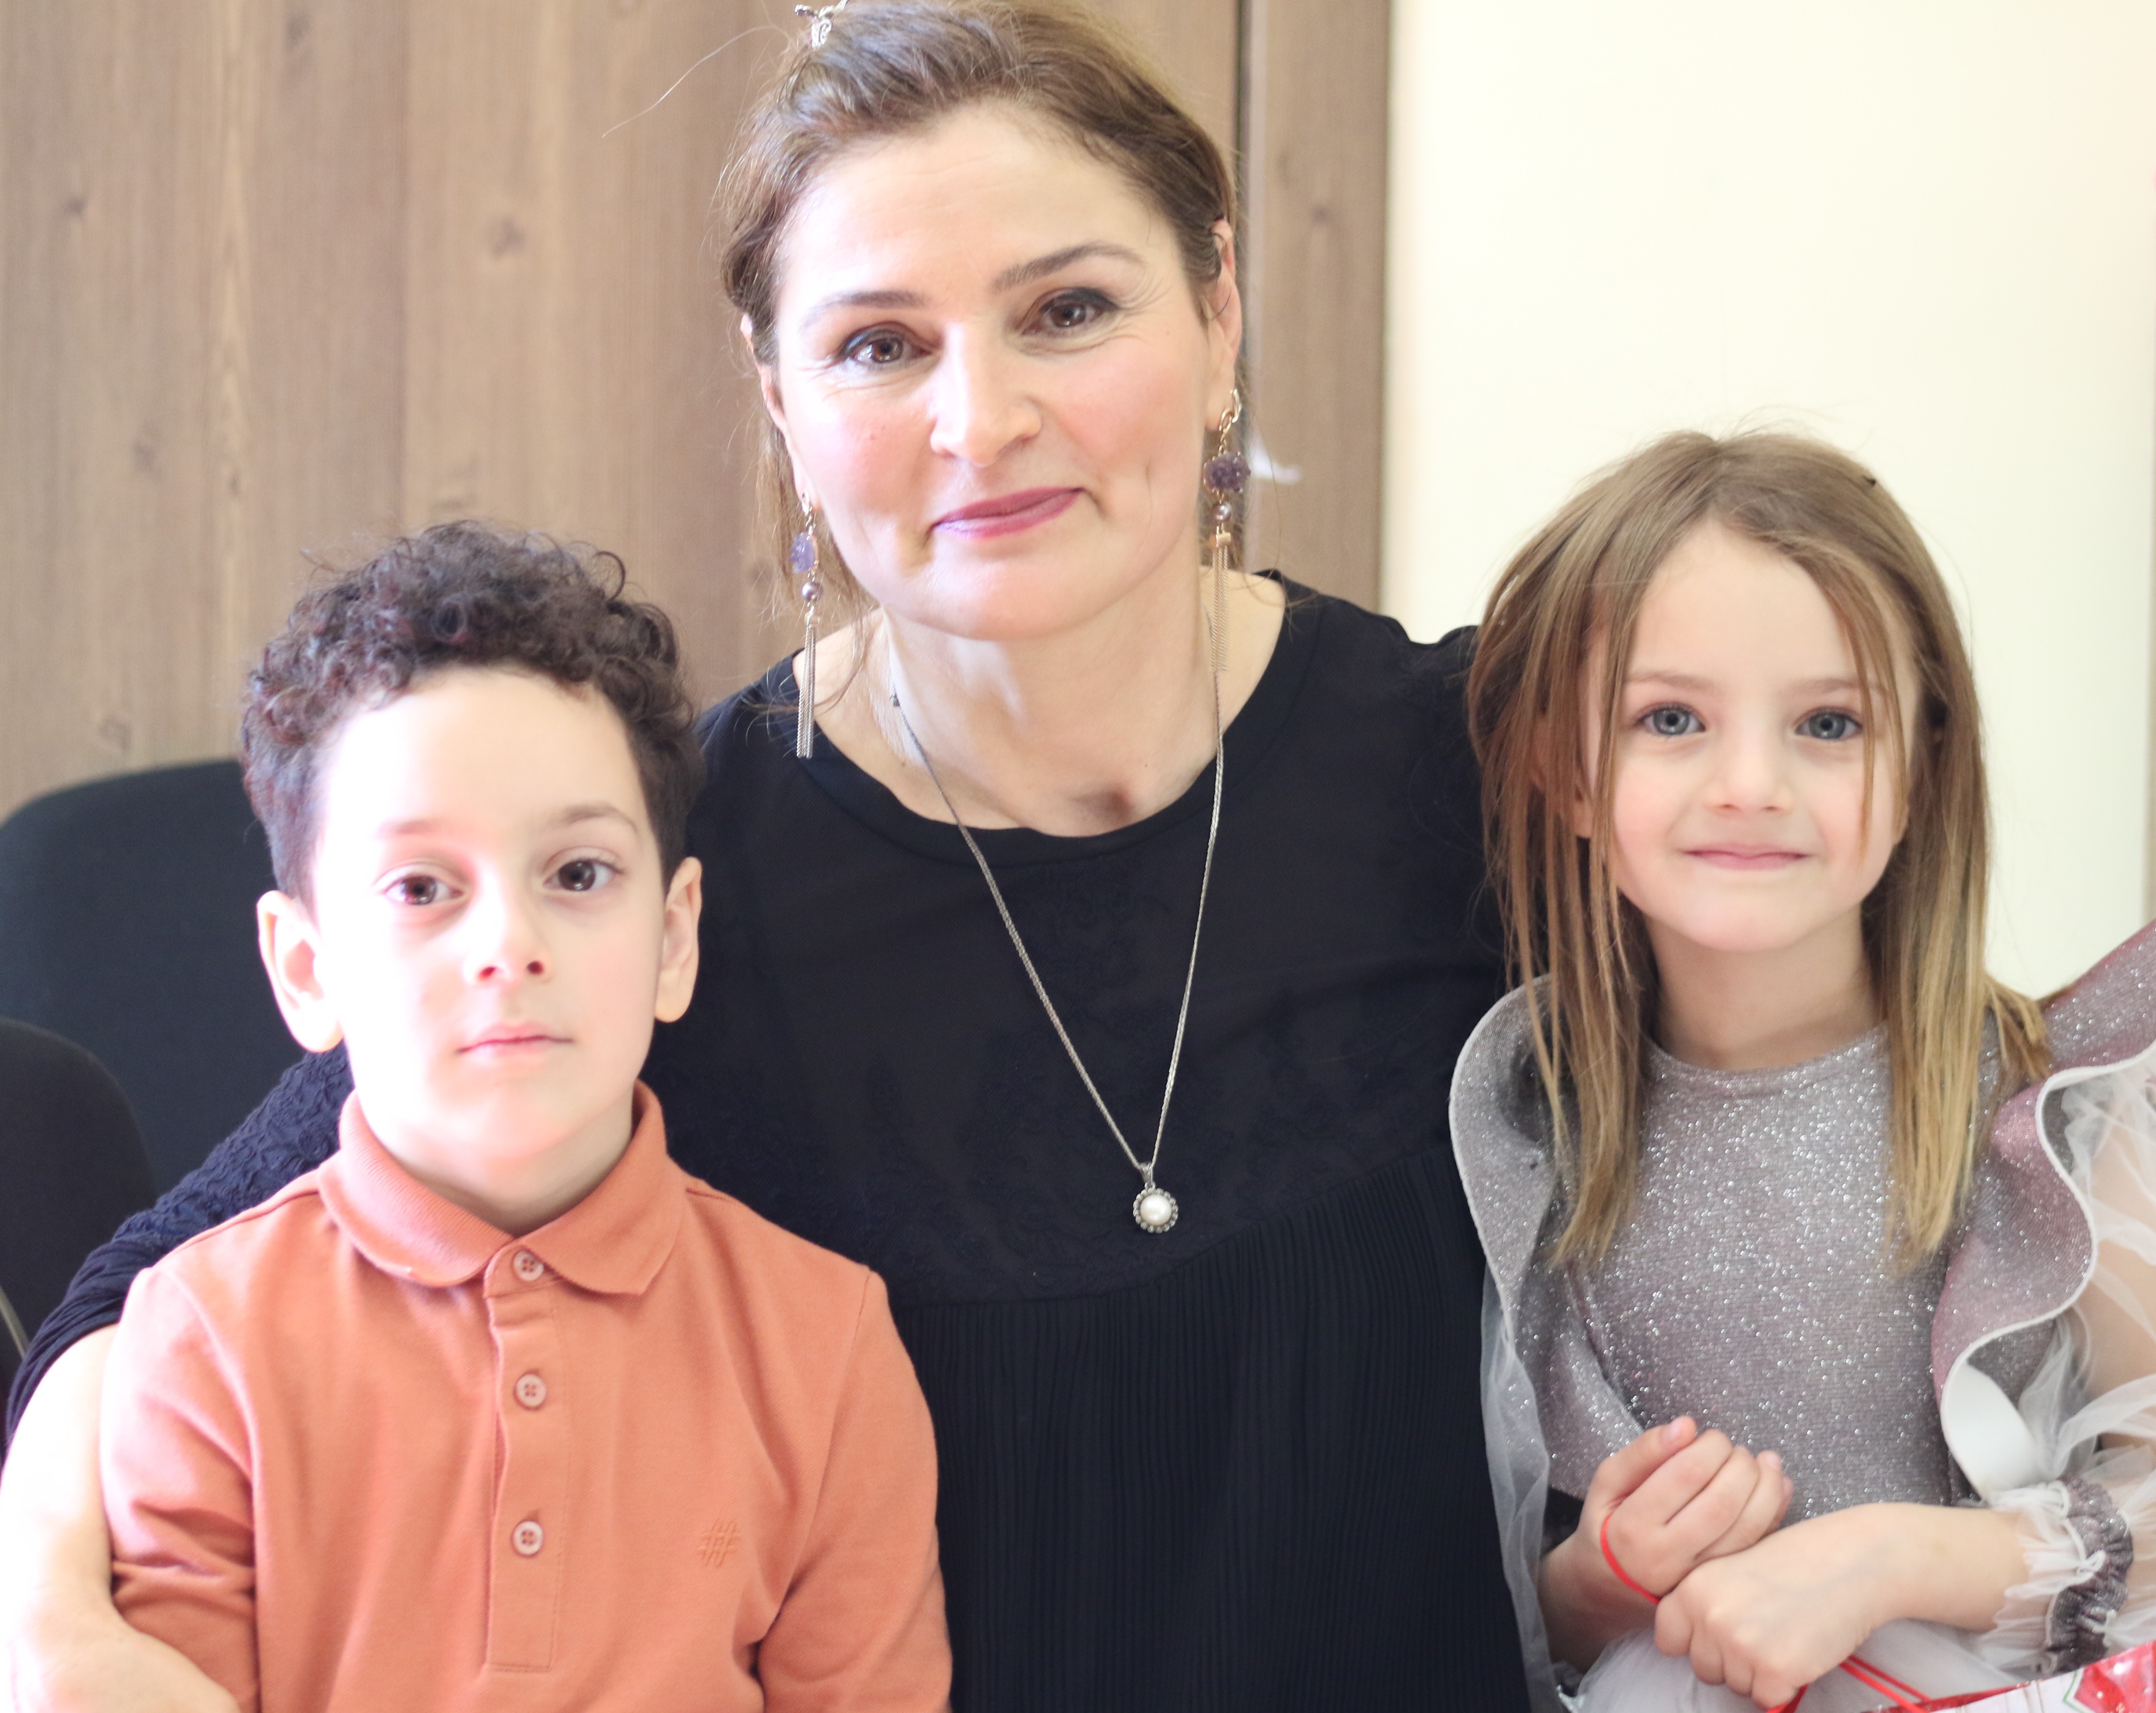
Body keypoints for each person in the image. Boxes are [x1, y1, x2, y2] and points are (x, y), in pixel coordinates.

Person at [0, 6, 1526, 1711]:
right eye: (880, 344)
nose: (982, 419)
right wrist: (48, 1626)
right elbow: (149, 1291)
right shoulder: (655, 873)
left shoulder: (1484, 760)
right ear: (780, 398)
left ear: (1219, 308)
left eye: (1067, 310)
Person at [98, 524, 950, 1711]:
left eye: (578, 874)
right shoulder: (200, 1338)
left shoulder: (827, 1344)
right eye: (421, 888)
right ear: (305, 969)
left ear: (673, 937)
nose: (509, 945)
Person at [1452, 428, 2156, 1712]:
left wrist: (1887, 1556)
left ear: (1921, 771)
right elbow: (1504, 1617)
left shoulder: (2065, 1113)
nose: (1750, 784)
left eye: (1829, 723)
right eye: (1671, 719)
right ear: (1566, 775)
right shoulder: (1522, 1136)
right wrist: (1602, 1579)